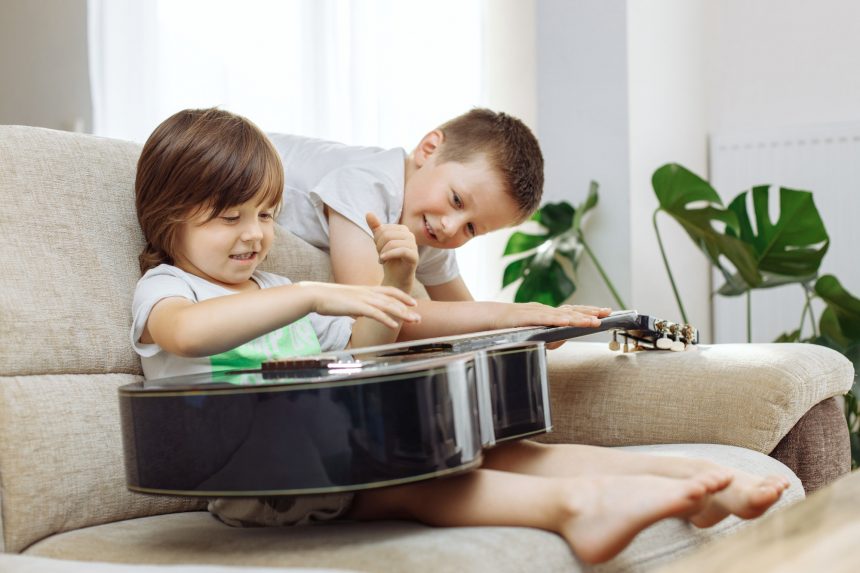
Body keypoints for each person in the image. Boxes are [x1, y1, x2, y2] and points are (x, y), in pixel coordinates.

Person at [131, 108, 789, 565]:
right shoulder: (169, 290)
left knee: (499, 448)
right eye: (231, 217)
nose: (254, 233)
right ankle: (577, 506)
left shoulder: (270, 283)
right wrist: (309, 291)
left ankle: (689, 476)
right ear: (167, 217)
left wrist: (401, 279)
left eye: (268, 215)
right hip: (263, 484)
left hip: (327, 452)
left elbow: (360, 348)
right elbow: (185, 337)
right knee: (425, 483)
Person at [271, 108, 613, 342]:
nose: (452, 227)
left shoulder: (430, 227)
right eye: (458, 201)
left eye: (472, 229)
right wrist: (504, 315)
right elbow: (376, 313)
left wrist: (536, 325)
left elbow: (468, 314)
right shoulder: (368, 184)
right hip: (226, 163)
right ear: (428, 149)